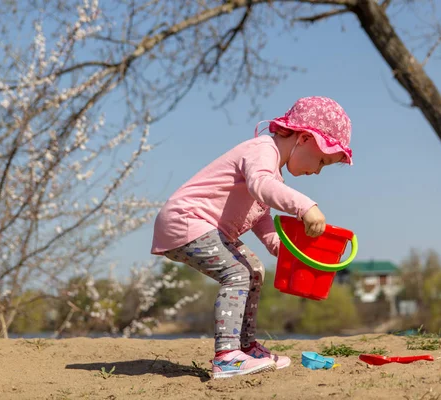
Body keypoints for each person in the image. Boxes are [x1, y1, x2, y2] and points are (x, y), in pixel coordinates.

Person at [150, 96, 353, 379]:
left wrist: (280, 248)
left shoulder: (272, 174)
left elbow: (260, 216)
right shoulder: (262, 151)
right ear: (304, 138)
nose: (317, 170)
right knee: (236, 273)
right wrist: (305, 206)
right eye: (321, 161)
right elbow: (261, 187)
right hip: (186, 220)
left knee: (254, 271)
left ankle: (244, 348)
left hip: (203, 226)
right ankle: (226, 357)